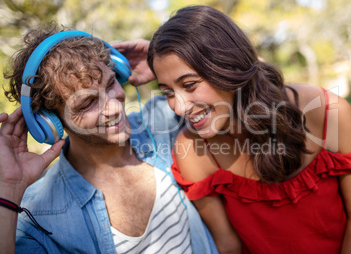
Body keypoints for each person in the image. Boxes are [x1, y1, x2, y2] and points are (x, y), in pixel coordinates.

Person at [116, 5, 351, 253]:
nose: (179, 107)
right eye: (167, 92)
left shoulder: (327, 112)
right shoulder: (193, 149)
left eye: (189, 85)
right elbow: (229, 245)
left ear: (227, 67)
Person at [0, 23, 218, 254]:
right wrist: (8, 188)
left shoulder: (163, 120)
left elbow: (250, 100)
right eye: (87, 103)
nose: (114, 107)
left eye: (111, 83)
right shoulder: (37, 217)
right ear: (48, 122)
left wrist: (171, 63)